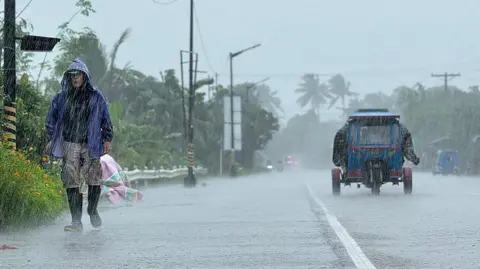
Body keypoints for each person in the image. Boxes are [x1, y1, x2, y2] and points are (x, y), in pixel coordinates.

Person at [45, 58, 113, 232]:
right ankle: (76, 221)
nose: (75, 78)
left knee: (94, 178)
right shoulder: (61, 98)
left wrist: (107, 138)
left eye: (78, 74)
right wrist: (52, 138)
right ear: (68, 77)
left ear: (84, 76)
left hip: (91, 143)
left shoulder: (96, 97)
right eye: (72, 75)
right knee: (71, 180)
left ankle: (92, 210)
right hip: (70, 142)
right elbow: (51, 119)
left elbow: (106, 119)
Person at [332, 121, 420, 169]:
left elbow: (407, 147)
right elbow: (340, 146)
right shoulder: (345, 133)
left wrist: (413, 158)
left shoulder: (399, 132)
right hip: (362, 153)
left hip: (387, 153)